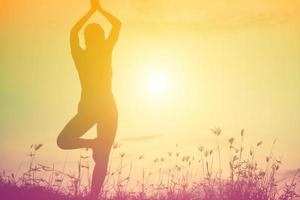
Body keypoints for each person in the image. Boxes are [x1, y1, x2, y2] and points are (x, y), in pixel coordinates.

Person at [57, 0, 121, 199]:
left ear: (88, 39)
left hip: (97, 109)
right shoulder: (102, 52)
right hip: (103, 108)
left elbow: (73, 32)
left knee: (65, 142)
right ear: (98, 39)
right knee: (100, 155)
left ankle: (93, 196)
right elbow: (117, 24)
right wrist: (99, 10)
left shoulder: (83, 55)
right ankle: (96, 145)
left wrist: (91, 12)